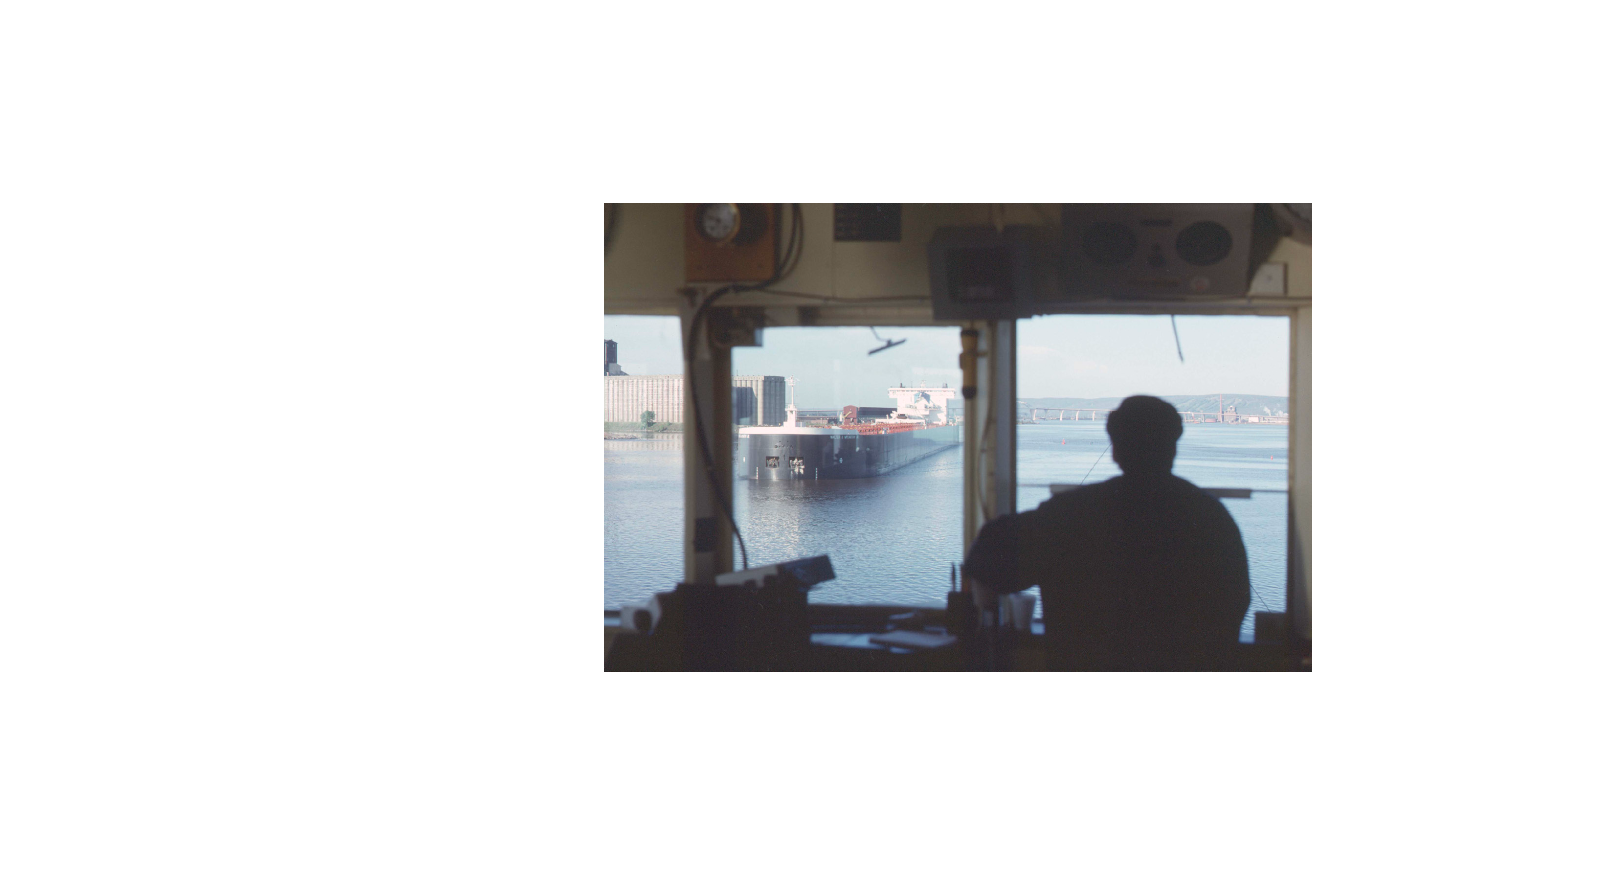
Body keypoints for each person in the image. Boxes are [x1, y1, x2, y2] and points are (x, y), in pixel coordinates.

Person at [963, 395, 1250, 670]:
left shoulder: (1070, 513)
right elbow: (1236, 604)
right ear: (1173, 447)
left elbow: (984, 559)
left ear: (1115, 449)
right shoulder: (1212, 518)